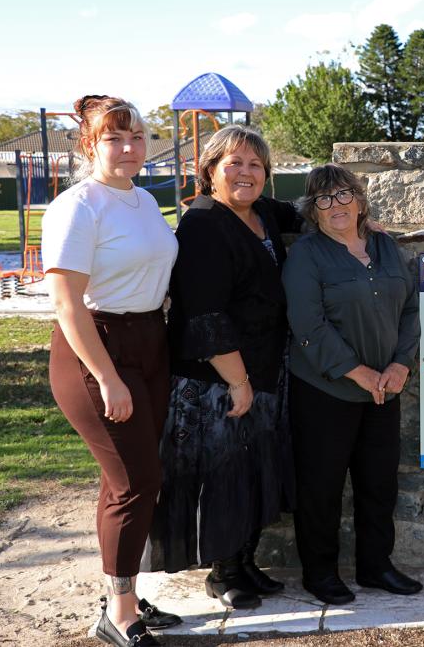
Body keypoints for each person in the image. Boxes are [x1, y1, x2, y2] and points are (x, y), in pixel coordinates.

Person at [42, 95, 181, 647]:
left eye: (137, 137)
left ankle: (120, 593)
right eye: (113, 138)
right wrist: (106, 377)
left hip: (150, 341)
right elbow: (67, 304)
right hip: (96, 349)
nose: (128, 148)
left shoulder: (144, 201)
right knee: (137, 482)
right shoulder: (78, 207)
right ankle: (119, 616)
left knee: (123, 479)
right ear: (89, 144)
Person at [149, 126, 299, 609]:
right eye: (234, 163)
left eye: (256, 165)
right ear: (210, 170)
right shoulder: (204, 224)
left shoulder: (263, 215)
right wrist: (238, 383)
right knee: (223, 475)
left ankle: (245, 561)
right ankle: (222, 573)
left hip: (262, 368)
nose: (246, 173)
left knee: (255, 471)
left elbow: (303, 211)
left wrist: (363, 224)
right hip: (217, 379)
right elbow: (205, 315)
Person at [283, 164, 421, 605]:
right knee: (322, 485)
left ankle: (376, 566)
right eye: (323, 199)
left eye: (343, 195)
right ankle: (319, 574)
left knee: (379, 483)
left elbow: (411, 310)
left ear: (360, 201)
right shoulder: (307, 255)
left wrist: (400, 365)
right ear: (312, 211)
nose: (335, 205)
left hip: (385, 389)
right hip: (327, 390)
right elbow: (308, 324)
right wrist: (358, 372)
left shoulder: (385, 246)